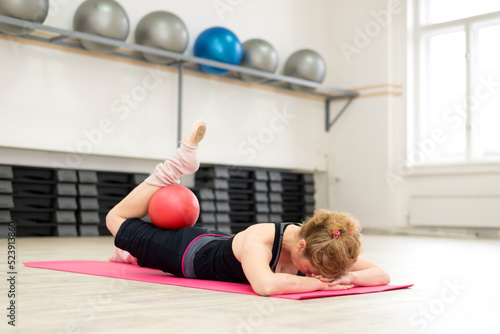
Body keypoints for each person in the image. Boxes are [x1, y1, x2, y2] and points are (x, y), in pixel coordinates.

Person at [106, 120, 390, 296]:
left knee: (136, 247)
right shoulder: (260, 238)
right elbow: (265, 286)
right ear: (301, 246)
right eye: (316, 271)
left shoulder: (324, 246)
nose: (322, 275)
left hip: (214, 241)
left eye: (325, 274)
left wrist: (347, 276)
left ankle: (128, 255)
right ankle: (174, 168)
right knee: (115, 219)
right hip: (184, 253)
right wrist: (319, 285)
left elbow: (381, 275)